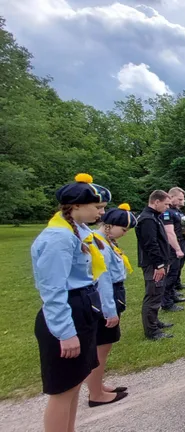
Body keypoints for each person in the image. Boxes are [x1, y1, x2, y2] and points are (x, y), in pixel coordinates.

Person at [31, 173, 111, 432]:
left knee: (75, 384)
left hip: (82, 307)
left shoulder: (77, 231)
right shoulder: (59, 238)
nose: (101, 212)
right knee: (63, 391)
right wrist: (65, 333)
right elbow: (53, 290)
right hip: (67, 313)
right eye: (96, 207)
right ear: (75, 206)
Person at [86, 204, 137, 407]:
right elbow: (103, 280)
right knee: (101, 348)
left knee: (102, 347)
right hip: (107, 297)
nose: (124, 234)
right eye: (123, 229)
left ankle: (98, 385)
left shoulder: (105, 241)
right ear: (110, 225)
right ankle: (95, 394)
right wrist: (109, 311)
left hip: (113, 293)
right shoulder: (100, 245)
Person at [136, 190, 174, 340]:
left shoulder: (154, 217)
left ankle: (155, 322)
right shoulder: (147, 219)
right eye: (165, 204)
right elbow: (150, 244)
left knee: (158, 293)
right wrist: (159, 265)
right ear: (156, 201)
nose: (167, 207)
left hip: (159, 262)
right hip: (153, 264)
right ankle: (152, 331)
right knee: (152, 295)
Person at [161, 187, 185, 311]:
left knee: (176, 271)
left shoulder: (176, 211)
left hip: (181, 242)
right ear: (171, 197)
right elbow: (169, 232)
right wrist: (177, 249)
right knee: (171, 273)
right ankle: (166, 302)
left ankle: (172, 294)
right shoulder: (167, 212)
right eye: (180, 199)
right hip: (173, 246)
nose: (183, 201)